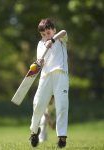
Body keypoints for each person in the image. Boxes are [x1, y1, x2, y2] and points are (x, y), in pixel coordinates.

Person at [29, 18, 69, 148]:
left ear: (53, 30)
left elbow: (64, 31)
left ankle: (62, 137)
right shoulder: (40, 45)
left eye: (48, 32)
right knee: (38, 104)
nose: (46, 36)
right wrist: (38, 64)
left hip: (60, 74)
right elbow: (41, 62)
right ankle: (34, 131)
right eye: (43, 34)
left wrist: (52, 40)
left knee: (62, 105)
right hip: (45, 77)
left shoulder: (60, 39)